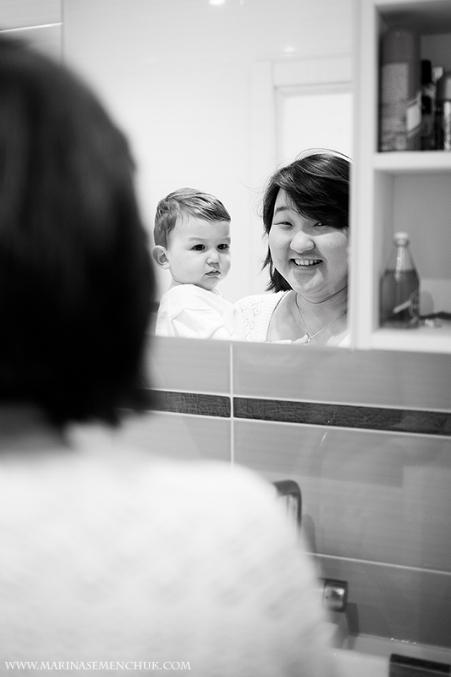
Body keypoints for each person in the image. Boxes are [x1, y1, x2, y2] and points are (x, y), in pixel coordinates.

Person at [0, 35, 337, 676]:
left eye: (223, 247)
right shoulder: (231, 536)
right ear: (127, 262)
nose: (300, 243)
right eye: (287, 223)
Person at [235, 150, 350, 345]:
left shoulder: (387, 331)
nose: (300, 244)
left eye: (321, 223)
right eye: (286, 223)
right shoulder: (244, 317)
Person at [152, 188, 236, 339]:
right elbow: (228, 347)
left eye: (222, 246)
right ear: (164, 257)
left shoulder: (195, 297)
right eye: (199, 247)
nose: (215, 258)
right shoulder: (184, 300)